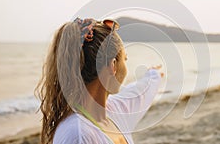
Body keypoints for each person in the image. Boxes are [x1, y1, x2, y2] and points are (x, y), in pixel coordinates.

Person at [36, 17, 164, 144]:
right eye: (125, 59)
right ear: (113, 66)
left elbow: (139, 93)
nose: (126, 67)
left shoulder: (112, 111)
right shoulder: (77, 135)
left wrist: (154, 74)